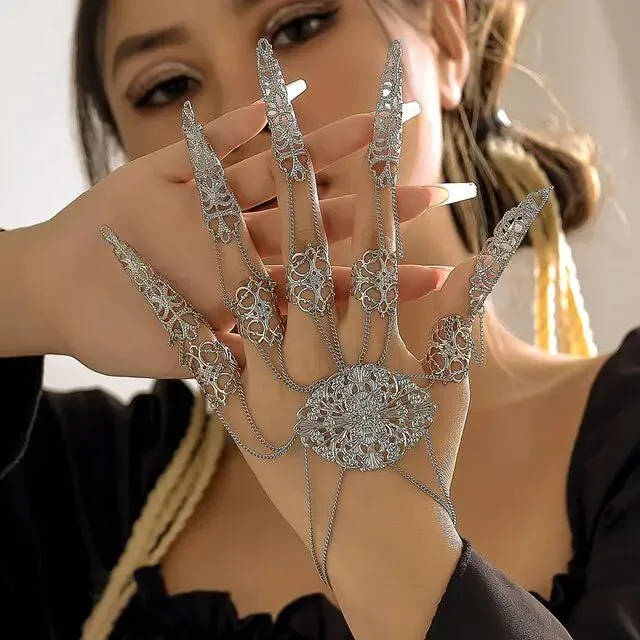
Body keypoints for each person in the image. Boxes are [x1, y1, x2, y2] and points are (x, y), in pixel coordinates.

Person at [1, 0, 638, 638]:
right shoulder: (76, 484)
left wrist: (398, 554)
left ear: (447, 37)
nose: (248, 115)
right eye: (169, 87)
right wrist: (29, 284)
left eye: (299, 27)